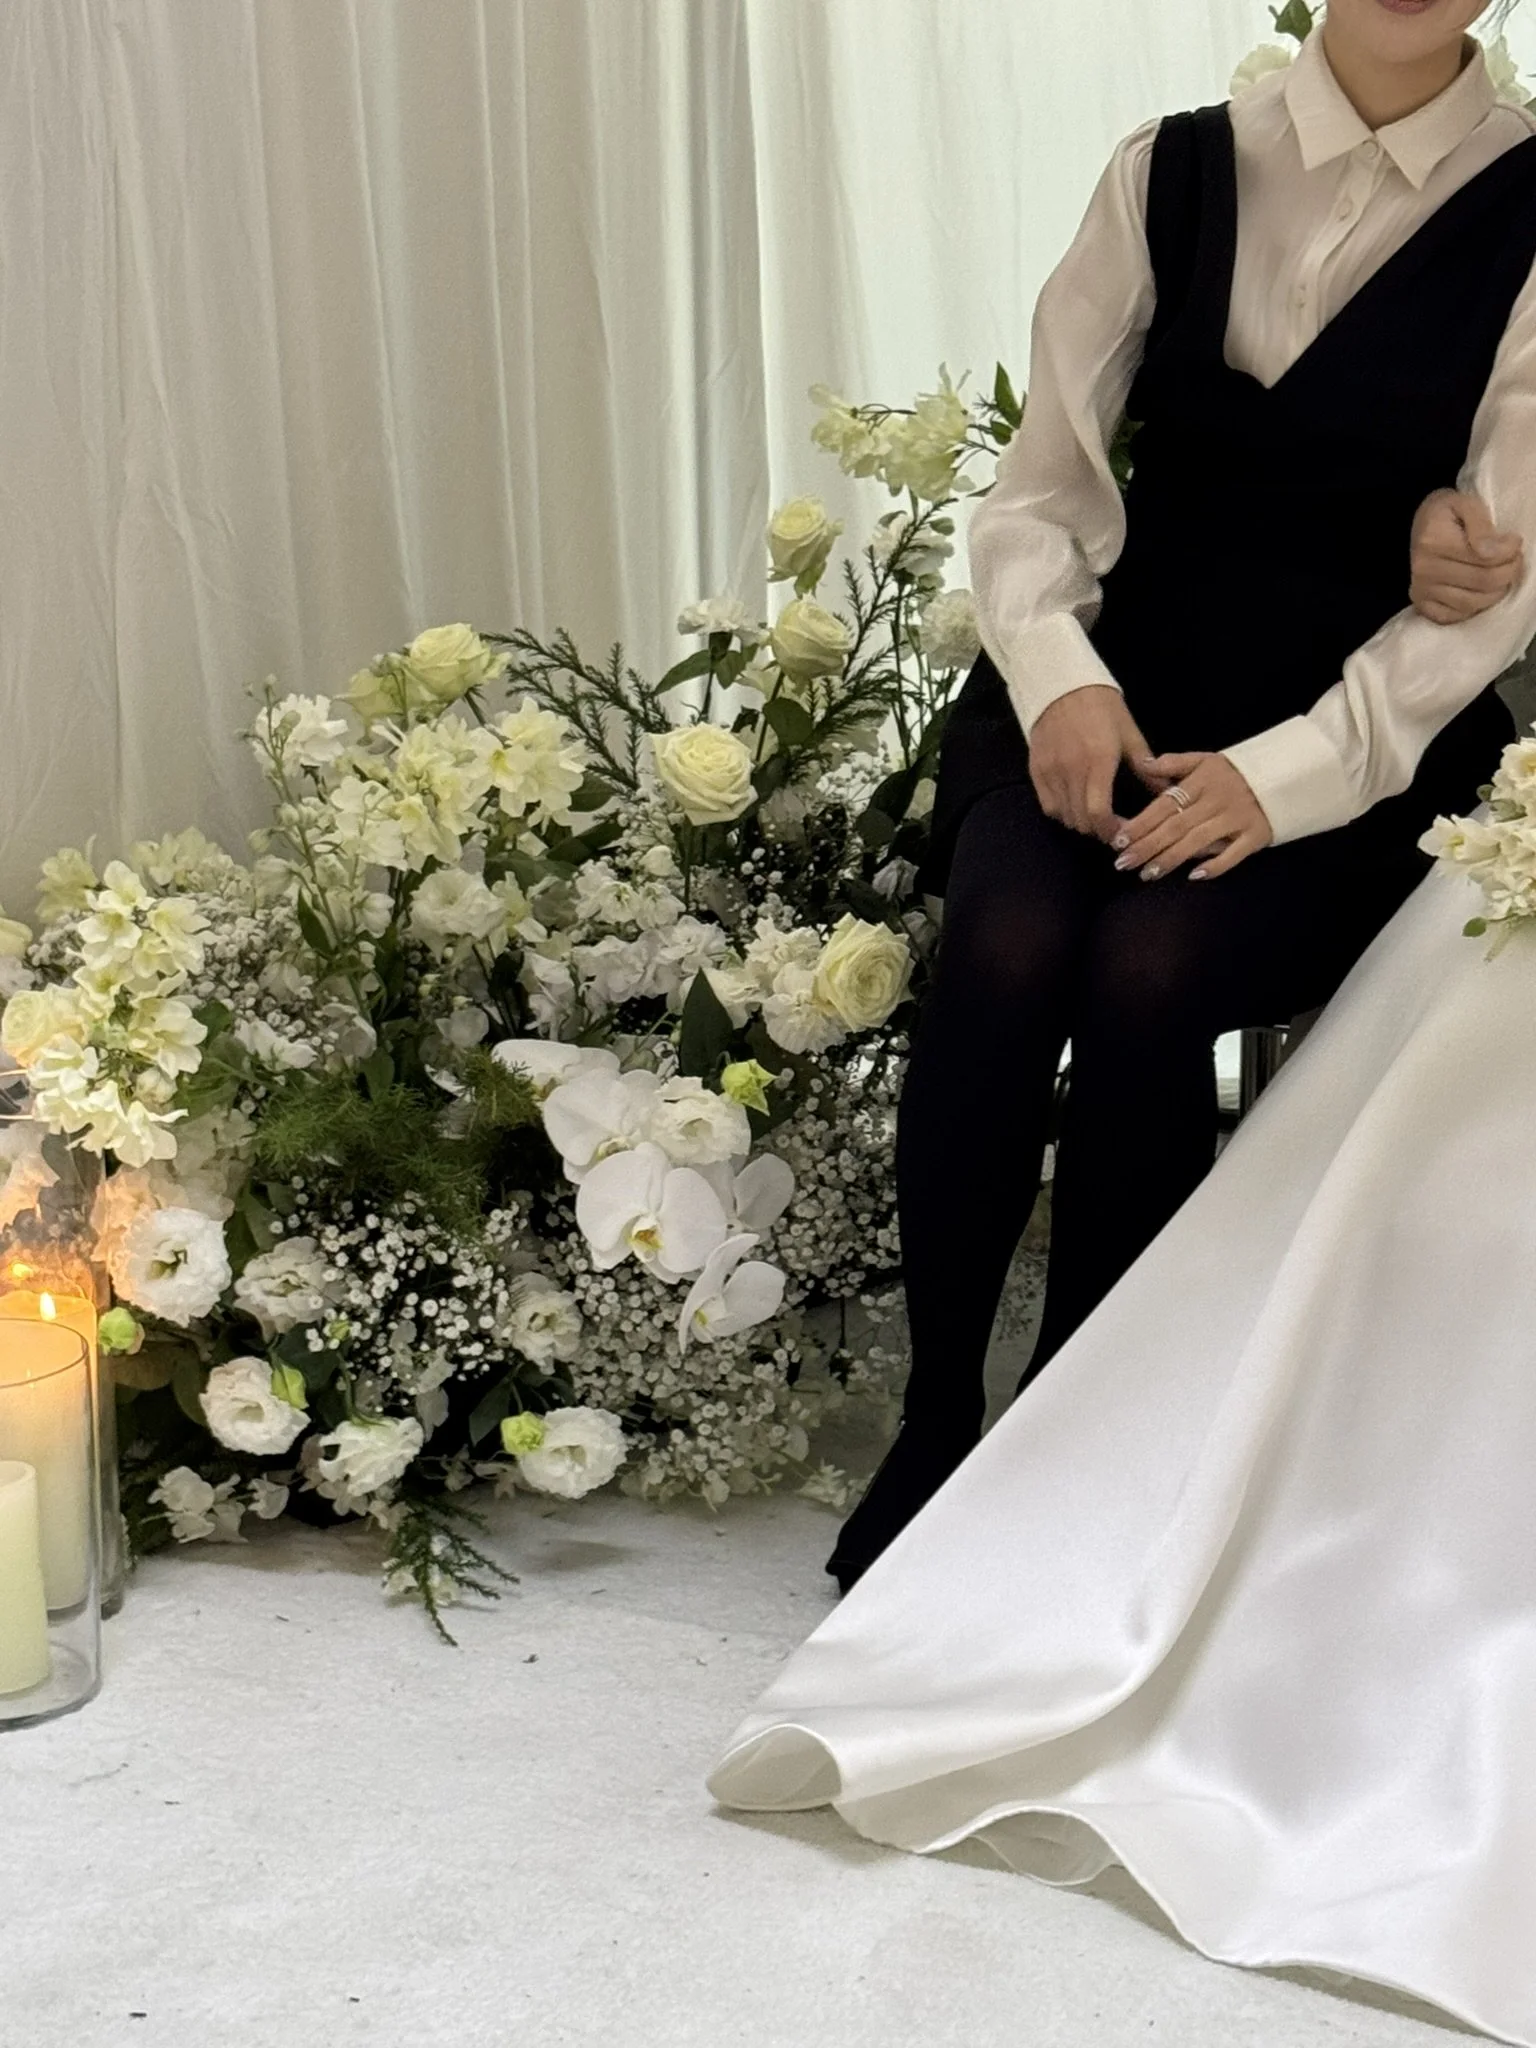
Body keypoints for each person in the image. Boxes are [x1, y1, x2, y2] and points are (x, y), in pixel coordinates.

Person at [825, 0, 1536, 1595]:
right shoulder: (1168, 170)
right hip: (1114, 685)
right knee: (1008, 942)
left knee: (1149, 973)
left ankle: (1089, 1442)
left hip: (1352, 743)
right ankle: (938, 1414)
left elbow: (1496, 581)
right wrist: (1061, 677)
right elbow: (1044, 491)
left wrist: (1285, 781)